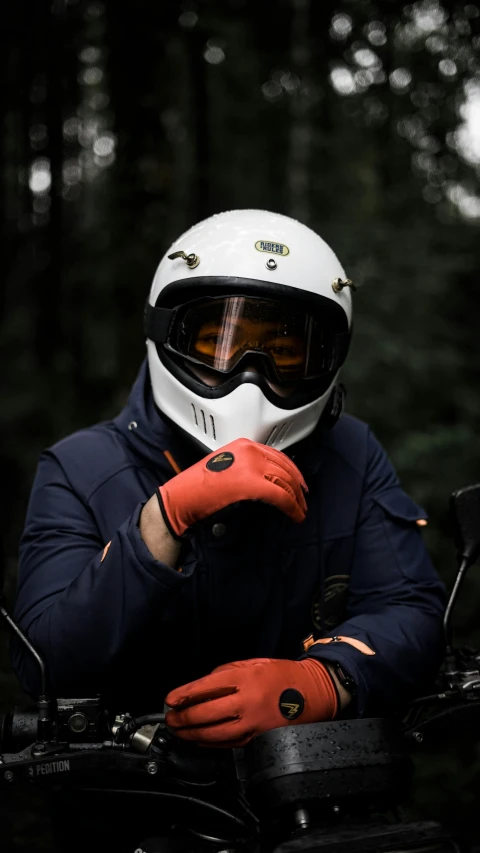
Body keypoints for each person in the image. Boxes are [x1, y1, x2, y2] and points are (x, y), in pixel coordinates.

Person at [13, 208, 445, 748]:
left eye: (284, 353)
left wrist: (326, 680)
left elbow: (412, 610)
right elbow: (47, 665)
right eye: (217, 343)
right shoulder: (81, 467)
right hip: (130, 802)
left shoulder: (351, 452)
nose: (250, 375)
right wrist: (162, 520)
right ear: (166, 332)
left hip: (315, 787)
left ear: (327, 359)